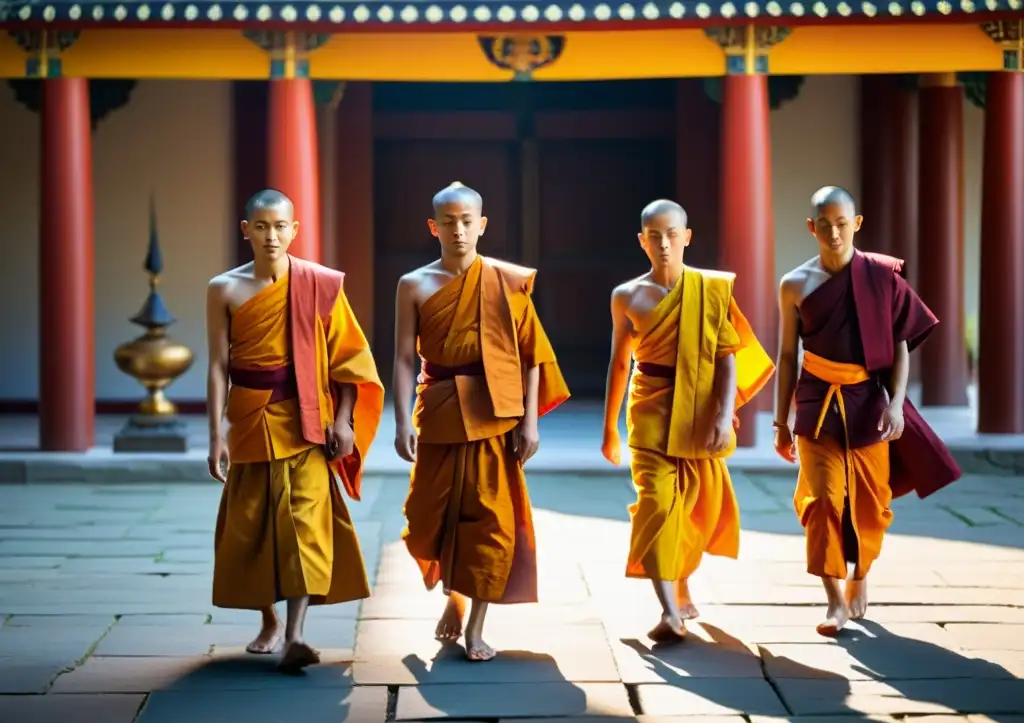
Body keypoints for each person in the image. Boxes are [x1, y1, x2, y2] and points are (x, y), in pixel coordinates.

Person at [205, 188, 385, 672]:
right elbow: (219, 366)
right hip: (248, 417)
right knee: (250, 526)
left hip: (306, 418)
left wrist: (344, 420)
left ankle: (297, 636)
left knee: (306, 525)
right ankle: (269, 621)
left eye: (281, 226)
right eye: (261, 226)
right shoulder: (223, 288)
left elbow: (350, 362)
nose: (272, 236)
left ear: (295, 230)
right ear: (246, 230)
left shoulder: (318, 284)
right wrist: (215, 434)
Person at [393, 181, 570, 662]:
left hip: (495, 412)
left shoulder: (505, 281)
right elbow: (405, 359)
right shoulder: (414, 284)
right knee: (429, 519)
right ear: (434, 227)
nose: (458, 229)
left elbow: (533, 356)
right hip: (439, 409)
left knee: (493, 524)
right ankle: (454, 595)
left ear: (482, 224)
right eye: (448, 221)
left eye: (467, 220)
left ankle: (475, 626)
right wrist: (401, 420)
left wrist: (530, 422)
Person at [773, 185, 961, 637]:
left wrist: (896, 405)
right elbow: (785, 354)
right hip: (817, 401)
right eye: (824, 225)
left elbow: (899, 349)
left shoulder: (881, 276)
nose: (834, 233)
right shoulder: (795, 284)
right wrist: (781, 423)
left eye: (842, 224)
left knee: (871, 506)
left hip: (867, 404)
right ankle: (834, 601)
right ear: (811, 227)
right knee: (821, 501)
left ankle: (860, 575)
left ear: (856, 224)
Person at [602, 199, 775, 642]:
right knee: (657, 505)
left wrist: (723, 413)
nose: (664, 244)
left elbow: (726, 357)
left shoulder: (711, 289)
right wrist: (609, 429)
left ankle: (680, 585)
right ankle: (668, 611)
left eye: (672, 234)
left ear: (687, 237)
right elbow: (619, 363)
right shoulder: (627, 296)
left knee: (694, 505)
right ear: (641, 241)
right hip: (650, 411)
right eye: (654, 236)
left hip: (698, 411)